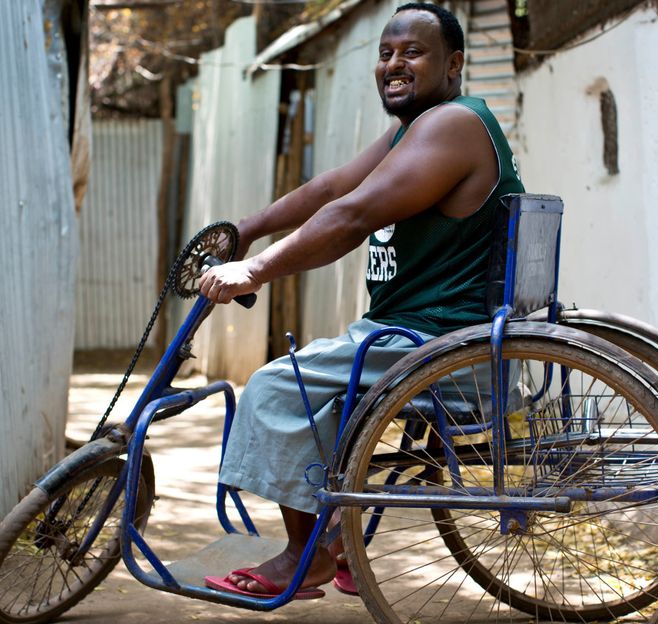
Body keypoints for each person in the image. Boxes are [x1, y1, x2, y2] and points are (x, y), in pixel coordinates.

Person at [199, 2, 523, 599]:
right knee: (323, 396)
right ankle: (341, 542)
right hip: (427, 337)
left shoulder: (451, 125)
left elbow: (352, 215)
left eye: (413, 53)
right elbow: (331, 187)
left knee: (275, 389)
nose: (394, 64)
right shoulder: (417, 127)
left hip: (438, 343)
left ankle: (306, 556)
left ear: (453, 65)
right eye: (386, 53)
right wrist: (246, 228)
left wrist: (255, 271)